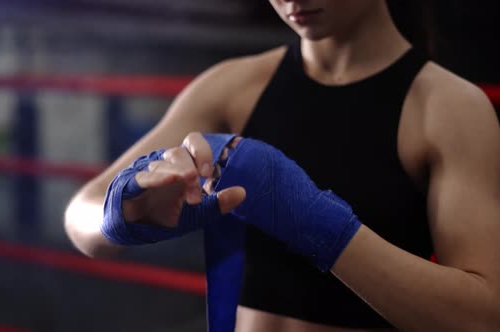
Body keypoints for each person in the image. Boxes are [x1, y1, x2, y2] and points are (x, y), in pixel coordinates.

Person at [64, 0, 500, 331]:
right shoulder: (233, 86)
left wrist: (313, 221)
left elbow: (484, 316)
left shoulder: (448, 108)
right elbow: (81, 214)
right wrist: (127, 209)